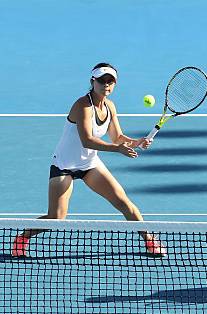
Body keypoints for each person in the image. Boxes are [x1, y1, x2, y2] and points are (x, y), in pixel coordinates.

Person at [12, 63, 166, 257]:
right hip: (64, 166)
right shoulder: (82, 105)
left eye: (110, 81)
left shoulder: (110, 106)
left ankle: (149, 240)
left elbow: (117, 137)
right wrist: (117, 149)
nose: (106, 85)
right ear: (92, 81)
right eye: (102, 81)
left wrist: (136, 142)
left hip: (89, 165)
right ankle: (22, 237)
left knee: (124, 203)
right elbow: (87, 140)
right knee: (56, 218)